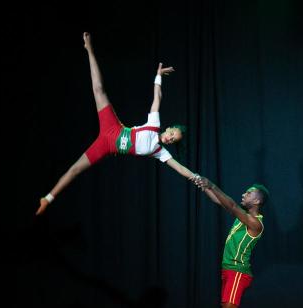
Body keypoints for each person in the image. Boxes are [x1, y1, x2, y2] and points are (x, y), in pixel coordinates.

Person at [37, 32, 203, 215]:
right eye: (172, 133)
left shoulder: (159, 152)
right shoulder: (154, 124)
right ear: (169, 129)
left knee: (75, 169)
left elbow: (180, 169)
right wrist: (158, 76)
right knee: (99, 89)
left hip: (107, 145)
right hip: (113, 128)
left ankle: (48, 198)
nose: (171, 138)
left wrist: (196, 177)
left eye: (174, 140)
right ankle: (90, 49)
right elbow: (158, 97)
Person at [192, 177, 270, 308]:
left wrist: (212, 184)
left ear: (257, 200)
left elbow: (233, 206)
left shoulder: (255, 223)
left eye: (248, 193)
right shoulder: (242, 216)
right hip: (229, 270)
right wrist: (204, 187)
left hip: (238, 271)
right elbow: (219, 200)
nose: (244, 194)